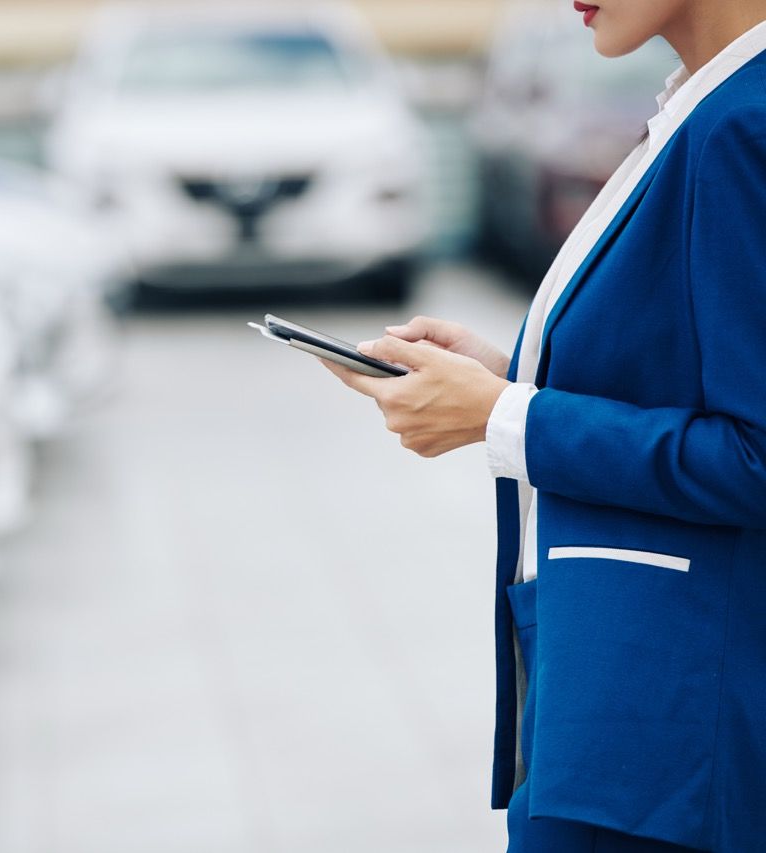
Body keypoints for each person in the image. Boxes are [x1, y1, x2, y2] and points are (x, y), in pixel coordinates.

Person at [321, 1, 766, 851]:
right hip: (614, 698)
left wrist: (503, 417)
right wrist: (506, 378)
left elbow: (757, 454)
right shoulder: (705, 105)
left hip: (668, 739)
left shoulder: (745, 127)